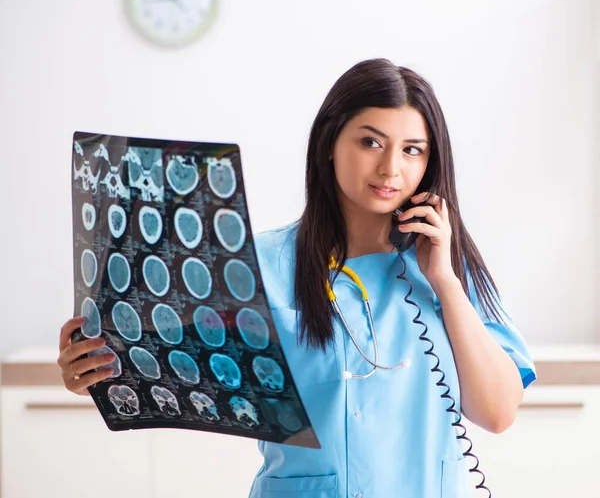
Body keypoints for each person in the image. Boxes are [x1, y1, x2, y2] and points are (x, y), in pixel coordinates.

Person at [57, 58, 536, 498]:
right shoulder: (258, 263)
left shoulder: (451, 268)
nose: (391, 167)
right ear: (330, 144)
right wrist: (92, 367)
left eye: (412, 150)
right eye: (370, 142)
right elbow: (167, 363)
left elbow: (496, 412)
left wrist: (445, 283)